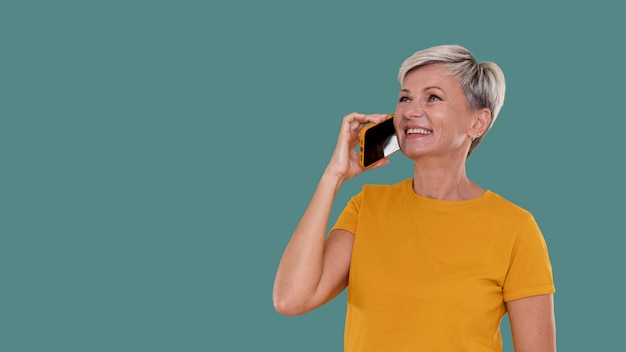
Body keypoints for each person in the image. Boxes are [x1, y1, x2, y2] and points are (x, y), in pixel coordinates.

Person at [273, 44, 556, 351]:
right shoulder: (366, 207)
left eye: (433, 97)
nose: (410, 111)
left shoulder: (516, 228)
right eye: (405, 98)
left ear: (478, 122)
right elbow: (291, 299)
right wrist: (334, 176)